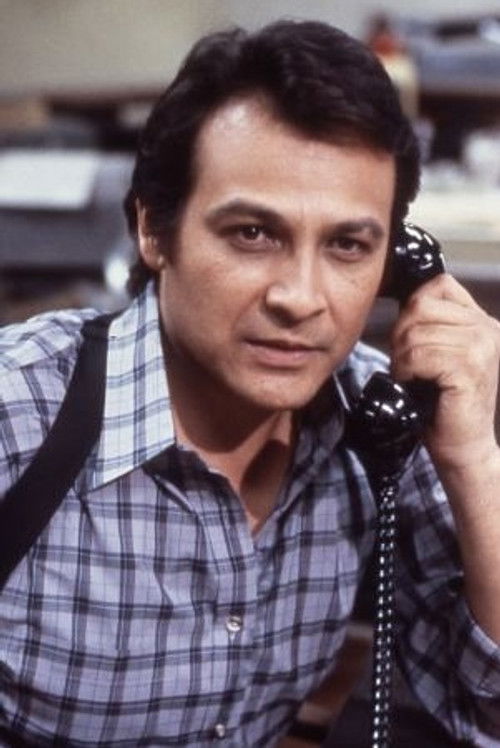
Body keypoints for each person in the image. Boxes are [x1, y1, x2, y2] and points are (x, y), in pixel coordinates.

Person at [1, 19, 500, 747]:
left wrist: (476, 459)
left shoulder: (379, 423)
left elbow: (482, 709)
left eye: (347, 245)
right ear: (154, 230)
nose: (299, 298)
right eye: (253, 234)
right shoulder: (19, 409)